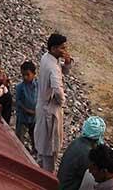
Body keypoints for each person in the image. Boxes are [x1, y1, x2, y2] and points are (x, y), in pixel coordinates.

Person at [34, 33, 73, 173]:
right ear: (54, 48)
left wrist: (67, 63)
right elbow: (57, 89)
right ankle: (46, 176)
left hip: (42, 106)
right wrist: (62, 101)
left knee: (42, 143)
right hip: (50, 109)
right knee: (50, 148)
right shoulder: (52, 67)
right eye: (62, 48)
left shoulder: (47, 58)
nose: (65, 50)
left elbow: (63, 72)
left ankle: (38, 169)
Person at [14, 61, 39, 152]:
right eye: (23, 75)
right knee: (19, 137)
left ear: (34, 74)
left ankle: (35, 152)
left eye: (27, 75)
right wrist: (27, 110)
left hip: (34, 117)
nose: (25, 77)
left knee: (35, 137)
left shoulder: (38, 86)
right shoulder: (20, 87)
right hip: (23, 117)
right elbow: (18, 102)